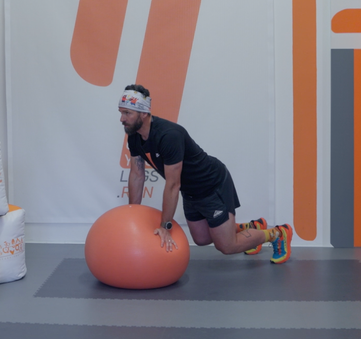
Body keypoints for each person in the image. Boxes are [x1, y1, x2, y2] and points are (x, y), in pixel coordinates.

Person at [118, 84, 293, 264]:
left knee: (226, 246)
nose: (122, 119)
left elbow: (172, 185)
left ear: (144, 113)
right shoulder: (134, 136)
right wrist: (133, 214)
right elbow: (137, 175)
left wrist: (165, 226)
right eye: (121, 112)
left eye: (127, 113)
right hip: (191, 191)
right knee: (202, 239)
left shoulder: (169, 135)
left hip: (211, 185)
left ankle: (278, 234)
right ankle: (249, 228)